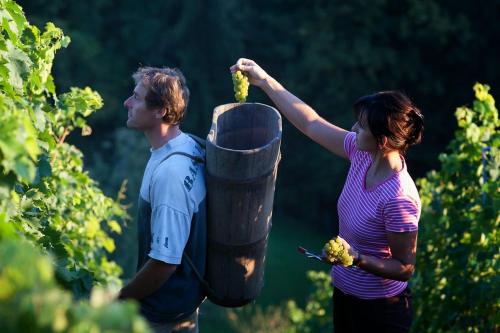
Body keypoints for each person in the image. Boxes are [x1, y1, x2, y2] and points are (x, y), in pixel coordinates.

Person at [230, 58, 423, 333]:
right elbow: (311, 123)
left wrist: (357, 259)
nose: (354, 129)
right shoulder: (361, 155)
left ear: (382, 141)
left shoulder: (399, 198)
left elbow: (405, 267)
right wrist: (264, 80)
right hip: (345, 296)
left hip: (381, 312)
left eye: (361, 125)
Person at [118, 66, 207, 333]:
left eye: (136, 97)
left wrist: (121, 297)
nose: (127, 103)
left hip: (162, 318)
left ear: (161, 111)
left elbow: (164, 263)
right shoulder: (189, 145)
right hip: (182, 307)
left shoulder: (171, 175)